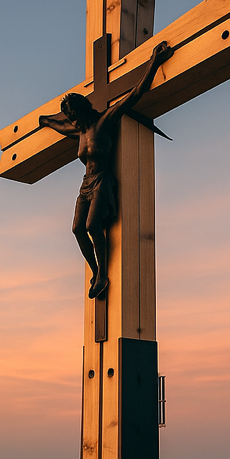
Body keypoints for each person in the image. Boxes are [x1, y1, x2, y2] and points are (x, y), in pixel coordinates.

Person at [38, 41, 173, 299]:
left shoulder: (105, 121)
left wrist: (155, 61)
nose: (73, 121)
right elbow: (57, 124)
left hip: (102, 181)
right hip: (85, 184)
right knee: (77, 229)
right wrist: (43, 120)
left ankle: (102, 275)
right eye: (70, 117)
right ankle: (96, 271)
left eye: (74, 115)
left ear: (83, 110)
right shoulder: (78, 130)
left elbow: (136, 93)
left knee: (92, 225)